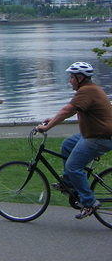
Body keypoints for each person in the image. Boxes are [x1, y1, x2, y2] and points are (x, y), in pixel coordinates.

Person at [36, 61, 112, 219]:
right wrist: (52, 119)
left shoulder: (87, 91)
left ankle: (89, 203)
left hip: (100, 137)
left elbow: (67, 110)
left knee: (73, 167)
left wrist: (47, 127)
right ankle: (69, 183)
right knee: (67, 145)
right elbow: (71, 111)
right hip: (92, 134)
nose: (70, 80)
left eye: (71, 77)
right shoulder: (89, 90)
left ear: (80, 78)